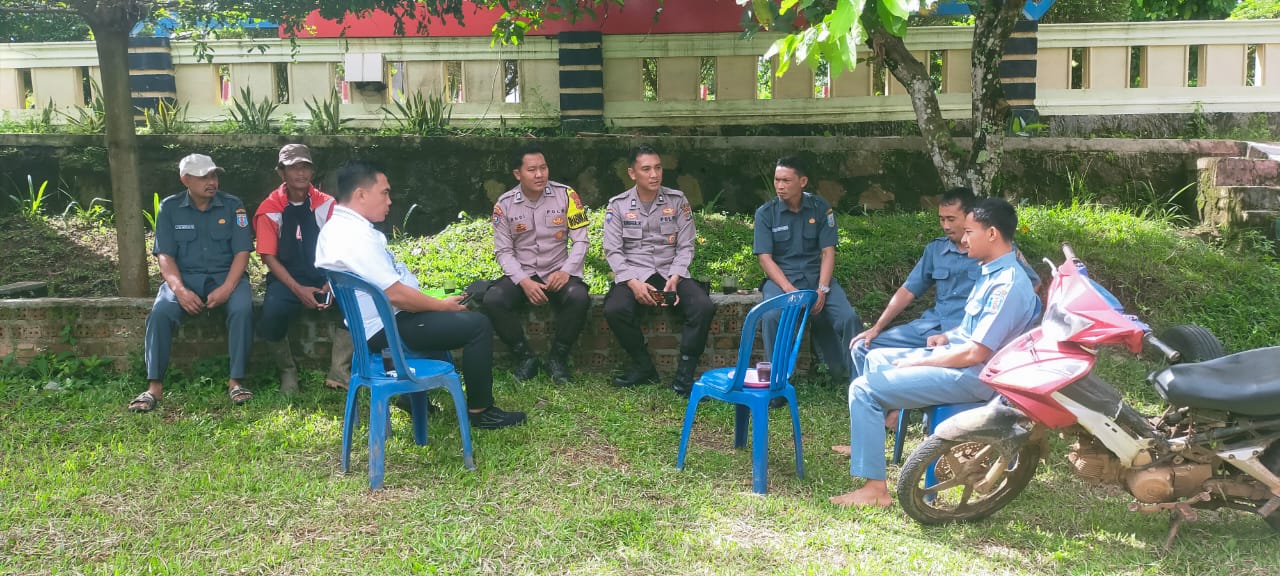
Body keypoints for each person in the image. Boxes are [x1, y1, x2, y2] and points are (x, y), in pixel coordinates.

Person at [830, 197, 1040, 508]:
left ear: (992, 234)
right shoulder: (991, 271)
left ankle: (876, 490)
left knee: (863, 390)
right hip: (962, 362)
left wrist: (916, 358)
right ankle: (875, 443)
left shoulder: (1007, 284)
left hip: (975, 377)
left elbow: (974, 353)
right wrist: (947, 336)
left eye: (970, 232)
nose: (963, 239)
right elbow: (973, 330)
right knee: (874, 357)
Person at [314, 159, 526, 429]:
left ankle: (412, 397)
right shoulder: (356, 236)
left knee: (440, 317)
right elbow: (396, 295)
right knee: (477, 325)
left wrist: (431, 302)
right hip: (386, 327)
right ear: (361, 195)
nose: (390, 201)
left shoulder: (336, 228)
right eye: (385, 192)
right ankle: (481, 411)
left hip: (377, 324)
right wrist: (440, 306)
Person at [849, 188, 1040, 378]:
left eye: (951, 219)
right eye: (942, 219)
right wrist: (877, 327)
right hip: (930, 329)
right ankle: (881, 401)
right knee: (863, 348)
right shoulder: (935, 249)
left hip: (970, 333)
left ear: (968, 216)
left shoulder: (995, 251)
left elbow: (1029, 286)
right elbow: (908, 290)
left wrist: (997, 326)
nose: (946, 225)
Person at [127, 154, 254, 412]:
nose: (212, 181)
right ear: (186, 180)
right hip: (185, 278)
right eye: (204, 177)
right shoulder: (170, 208)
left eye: (214, 175)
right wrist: (180, 291)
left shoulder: (233, 206)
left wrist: (228, 287)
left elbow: (242, 252)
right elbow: (165, 256)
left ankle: (236, 382)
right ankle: (154, 388)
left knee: (242, 309)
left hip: (226, 276)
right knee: (160, 313)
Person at [603, 145, 714, 395]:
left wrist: (675, 277)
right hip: (634, 272)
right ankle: (644, 368)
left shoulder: (677, 201)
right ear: (632, 173)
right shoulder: (618, 206)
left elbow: (686, 246)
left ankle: (684, 379)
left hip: (670, 271)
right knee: (615, 309)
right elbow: (613, 251)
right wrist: (633, 283)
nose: (654, 174)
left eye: (658, 167)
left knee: (703, 307)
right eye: (646, 169)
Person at [481, 144, 591, 384]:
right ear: (517, 174)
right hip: (524, 272)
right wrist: (523, 281)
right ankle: (525, 357)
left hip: (558, 270)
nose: (540, 174)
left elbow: (581, 242)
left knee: (579, 297)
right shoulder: (504, 205)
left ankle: (558, 358)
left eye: (543, 167)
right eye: (532, 170)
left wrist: (566, 272)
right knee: (493, 300)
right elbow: (504, 251)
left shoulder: (568, 196)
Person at [253, 144, 352, 395]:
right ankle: (287, 370)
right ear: (281, 173)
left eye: (305, 167)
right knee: (271, 313)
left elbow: (340, 247)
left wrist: (331, 281)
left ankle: (339, 371)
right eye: (293, 168)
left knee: (357, 304)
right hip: (287, 277)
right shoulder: (270, 209)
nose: (300, 173)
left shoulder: (327, 205)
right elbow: (268, 257)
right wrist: (298, 290)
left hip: (325, 273)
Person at [753, 156, 861, 385]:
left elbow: (828, 252)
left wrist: (822, 289)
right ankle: (776, 382)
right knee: (771, 316)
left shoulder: (821, 209)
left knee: (848, 318)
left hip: (817, 277)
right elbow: (765, 258)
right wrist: (790, 290)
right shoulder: (766, 213)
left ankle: (856, 380)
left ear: (802, 181)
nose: (780, 186)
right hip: (782, 279)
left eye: (786, 181)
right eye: (776, 180)